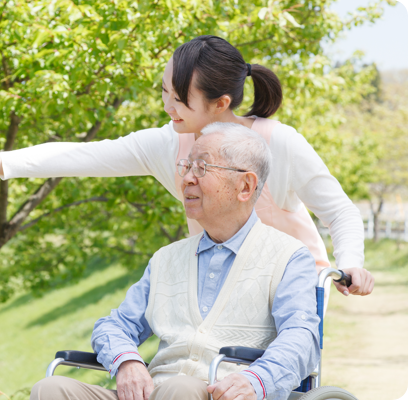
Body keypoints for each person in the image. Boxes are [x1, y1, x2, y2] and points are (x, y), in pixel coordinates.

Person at [0, 35, 374, 297]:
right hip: (217, 285)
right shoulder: (166, 144)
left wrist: (350, 263)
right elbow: (78, 155)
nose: (168, 106)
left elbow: (340, 213)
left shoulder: (280, 144)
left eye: (180, 98)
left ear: (221, 103)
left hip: (291, 288)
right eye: (164, 93)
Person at [30, 124, 320, 400]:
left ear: (245, 186)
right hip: (156, 391)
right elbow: (114, 326)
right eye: (187, 166)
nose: (187, 178)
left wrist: (257, 381)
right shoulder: (166, 259)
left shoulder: (289, 257)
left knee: (180, 390)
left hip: (222, 394)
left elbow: (301, 337)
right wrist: (127, 362)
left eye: (202, 167)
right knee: (52, 389)